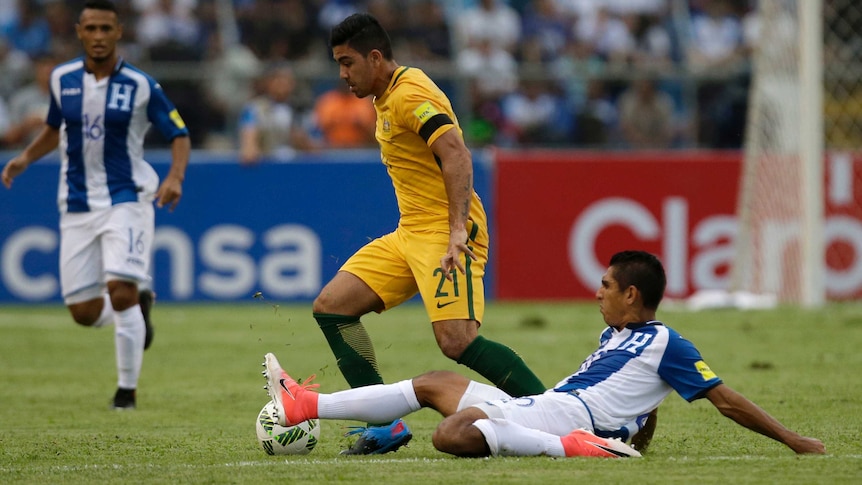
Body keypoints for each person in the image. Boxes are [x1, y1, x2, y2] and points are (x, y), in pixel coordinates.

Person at [263, 250, 827, 459]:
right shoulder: (618, 340)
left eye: (605, 284)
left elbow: (725, 400)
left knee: (452, 434)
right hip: (551, 404)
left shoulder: (666, 341)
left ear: (632, 295)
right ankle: (304, 407)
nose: (597, 291)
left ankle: (570, 451)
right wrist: (638, 436)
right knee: (436, 380)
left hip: (567, 420)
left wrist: (794, 441)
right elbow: (641, 400)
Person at [311, 13, 546, 455]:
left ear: (375, 57)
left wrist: (458, 230)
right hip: (410, 233)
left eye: (347, 63)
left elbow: (455, 152)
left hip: (445, 232)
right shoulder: (385, 95)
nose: (342, 74)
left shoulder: (410, 94)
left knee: (456, 342)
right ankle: (385, 426)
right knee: (333, 308)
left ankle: (561, 412)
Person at [1, 0, 191, 410]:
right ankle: (139, 310)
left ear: (119, 31)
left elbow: (179, 131)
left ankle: (126, 393)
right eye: (92, 29)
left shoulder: (141, 85)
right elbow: (55, 129)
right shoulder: (62, 79)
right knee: (84, 312)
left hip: (127, 198)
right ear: (79, 32)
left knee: (120, 290)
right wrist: (24, 158)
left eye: (107, 28)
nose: (99, 36)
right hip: (76, 202)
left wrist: (175, 177)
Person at [237, 65, 314, 165]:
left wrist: (303, 142)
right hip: (265, 165)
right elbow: (248, 137)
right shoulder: (254, 108)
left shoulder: (302, 110)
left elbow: (315, 149)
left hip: (296, 167)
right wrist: (250, 147)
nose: (282, 85)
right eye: (277, 80)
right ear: (268, 83)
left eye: (286, 81)